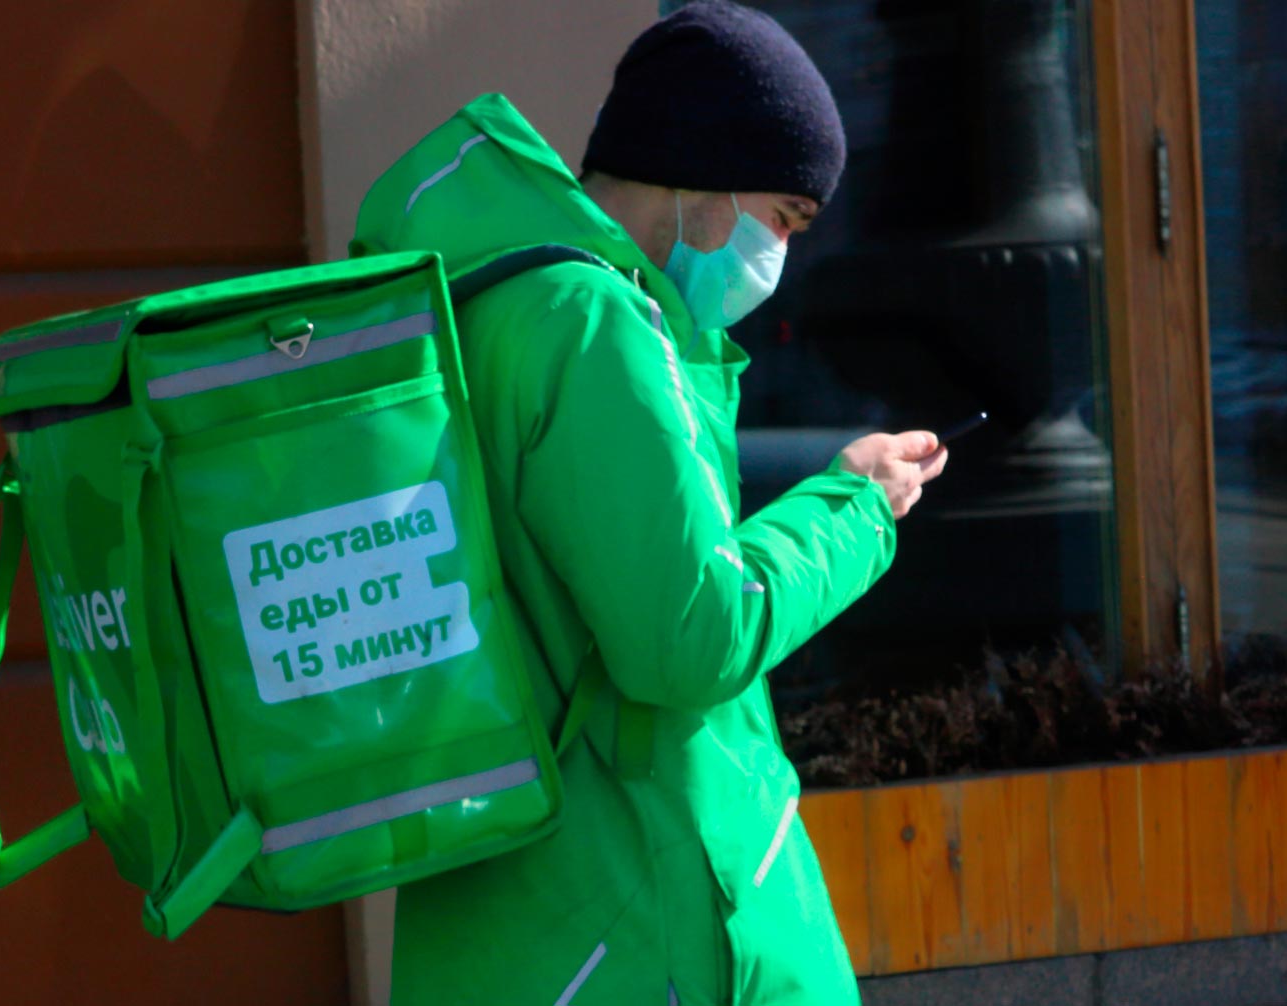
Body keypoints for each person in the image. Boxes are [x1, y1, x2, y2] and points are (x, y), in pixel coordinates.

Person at [350, 2, 947, 1002]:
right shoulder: (595, 325)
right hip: (629, 912)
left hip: (514, 915)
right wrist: (856, 504)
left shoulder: (485, 300)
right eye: (784, 216)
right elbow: (689, 637)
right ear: (705, 181)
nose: (779, 254)